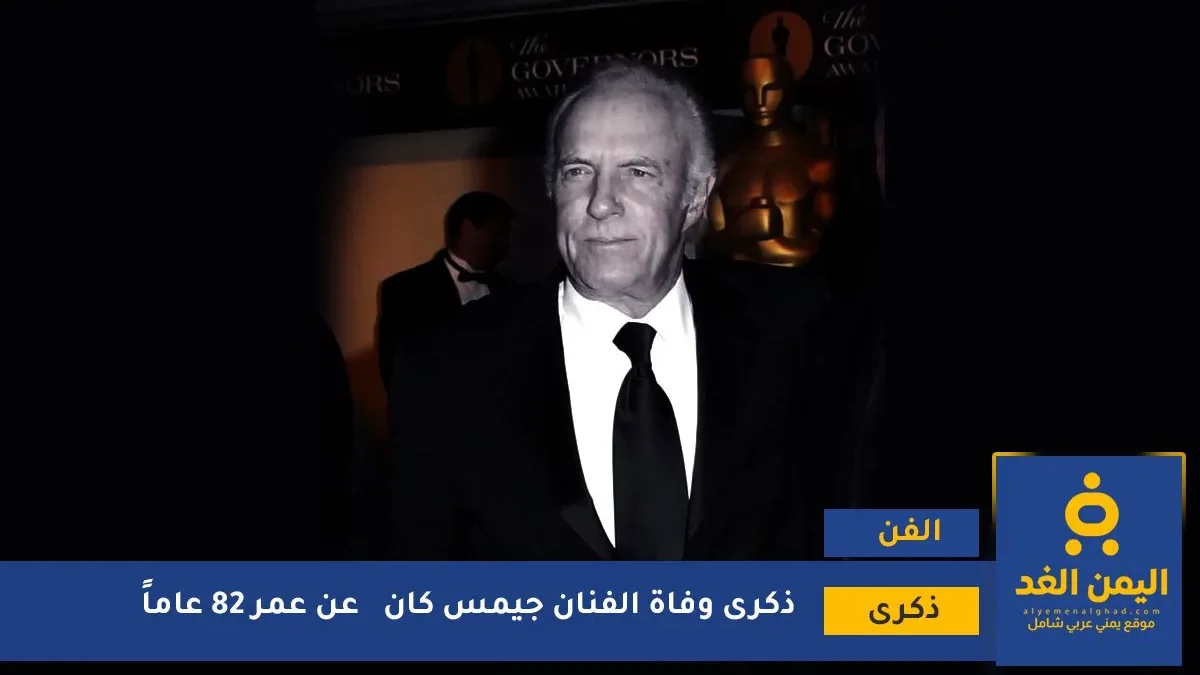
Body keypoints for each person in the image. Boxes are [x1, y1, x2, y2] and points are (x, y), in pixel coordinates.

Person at [387, 60, 852, 561]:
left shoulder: (797, 327)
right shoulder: (445, 369)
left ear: (696, 196)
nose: (601, 203)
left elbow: (849, 534)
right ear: (552, 189)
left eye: (638, 172)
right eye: (577, 172)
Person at [376, 190, 514, 394]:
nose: (506, 244)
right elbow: (397, 374)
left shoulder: (510, 291)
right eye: (498, 233)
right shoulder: (405, 290)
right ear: (468, 230)